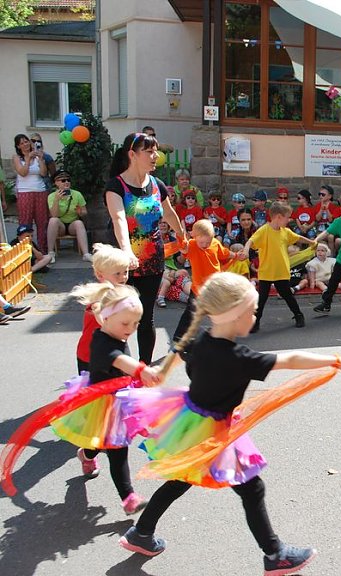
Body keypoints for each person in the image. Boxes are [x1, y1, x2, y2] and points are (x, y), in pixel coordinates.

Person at [118, 272, 341, 573]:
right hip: (212, 429)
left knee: (182, 479)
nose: (255, 316)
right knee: (252, 489)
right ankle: (275, 554)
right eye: (252, 311)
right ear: (234, 314)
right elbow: (289, 361)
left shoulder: (199, 341)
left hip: (190, 419)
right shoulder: (238, 357)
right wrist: (334, 360)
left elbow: (181, 353)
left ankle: (141, 532)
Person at [53, 282, 161, 514]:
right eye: (126, 323)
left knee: (110, 446)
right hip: (101, 404)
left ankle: (87, 455)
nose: (131, 329)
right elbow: (117, 359)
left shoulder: (116, 333)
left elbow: (123, 362)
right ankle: (128, 497)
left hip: (119, 402)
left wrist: (140, 376)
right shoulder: (101, 341)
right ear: (106, 317)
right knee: (114, 450)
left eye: (136, 323)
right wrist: (141, 370)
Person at [105, 131, 185, 364]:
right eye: (149, 152)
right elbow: (119, 219)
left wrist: (183, 237)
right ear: (132, 154)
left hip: (152, 260)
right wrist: (127, 251)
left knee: (146, 316)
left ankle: (143, 367)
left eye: (155, 151)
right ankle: (121, 366)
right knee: (120, 315)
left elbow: (169, 213)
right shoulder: (116, 186)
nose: (155, 156)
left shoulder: (157, 185)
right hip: (122, 264)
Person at [241, 201, 312, 332]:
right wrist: (245, 251)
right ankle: (255, 322)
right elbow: (251, 241)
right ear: (279, 217)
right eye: (287, 217)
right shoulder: (264, 230)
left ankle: (298, 315)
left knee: (287, 295)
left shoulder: (285, 231)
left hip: (281, 271)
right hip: (266, 272)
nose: (289, 220)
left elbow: (298, 238)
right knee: (261, 299)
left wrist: (311, 242)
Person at [172, 219, 242, 343]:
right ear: (194, 237)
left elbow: (225, 253)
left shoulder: (215, 243)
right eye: (202, 242)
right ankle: (178, 337)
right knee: (190, 313)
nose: (205, 245)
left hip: (214, 286)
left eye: (207, 242)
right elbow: (183, 248)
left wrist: (236, 255)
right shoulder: (191, 245)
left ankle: (224, 335)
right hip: (198, 288)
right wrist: (181, 238)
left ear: (212, 237)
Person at [77, 244, 132, 374]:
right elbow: (97, 309)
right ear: (100, 275)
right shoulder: (100, 294)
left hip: (116, 345)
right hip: (92, 353)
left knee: (124, 379)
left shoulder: (122, 292)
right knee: (96, 386)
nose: (123, 277)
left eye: (125, 272)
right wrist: (108, 324)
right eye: (117, 273)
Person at [13, 133, 50, 253]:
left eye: (26, 141)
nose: (25, 144)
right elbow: (23, 173)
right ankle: (26, 251)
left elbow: (43, 173)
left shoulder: (37, 155)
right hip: (25, 192)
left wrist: (41, 159)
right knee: (25, 222)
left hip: (40, 190)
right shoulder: (17, 158)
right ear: (18, 146)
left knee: (42, 222)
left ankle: (43, 250)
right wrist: (28, 159)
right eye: (22, 143)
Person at [46, 170, 92, 261]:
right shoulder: (52, 196)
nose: (66, 182)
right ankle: (50, 253)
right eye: (63, 180)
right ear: (56, 183)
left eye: (68, 180)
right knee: (53, 220)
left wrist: (80, 212)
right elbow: (54, 215)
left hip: (72, 224)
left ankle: (86, 254)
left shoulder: (77, 194)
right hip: (60, 226)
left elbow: (84, 212)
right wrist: (56, 200)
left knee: (79, 223)